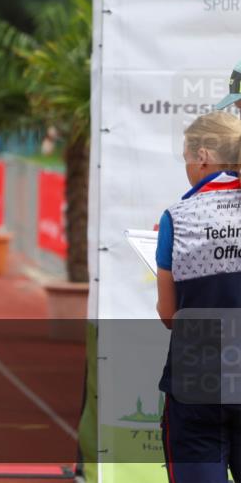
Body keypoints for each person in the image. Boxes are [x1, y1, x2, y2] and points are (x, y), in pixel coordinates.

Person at [155, 111, 241, 483]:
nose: (188, 167)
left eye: (187, 158)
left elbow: (169, 314)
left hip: (198, 384)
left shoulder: (178, 217)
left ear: (203, 156)